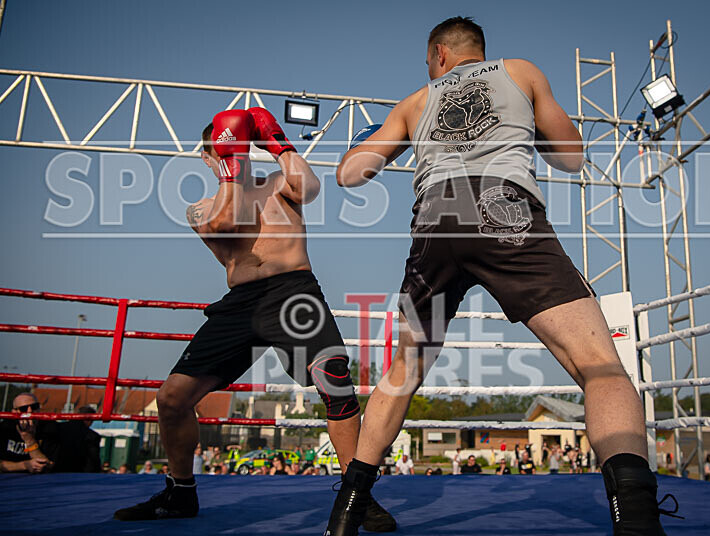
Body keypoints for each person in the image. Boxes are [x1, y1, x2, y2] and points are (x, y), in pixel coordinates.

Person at [323, 16, 673, 535]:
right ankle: (637, 519)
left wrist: (380, 141)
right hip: (503, 207)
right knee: (601, 366)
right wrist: (523, 128)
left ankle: (346, 511)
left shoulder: (415, 102)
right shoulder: (520, 71)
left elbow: (349, 174)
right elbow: (572, 157)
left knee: (404, 371)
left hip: (434, 222)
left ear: (439, 54)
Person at [113, 108, 395, 532]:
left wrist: (277, 142)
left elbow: (310, 188)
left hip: (293, 291)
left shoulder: (278, 183)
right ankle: (180, 492)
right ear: (209, 158)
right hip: (240, 304)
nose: (234, 156)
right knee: (171, 399)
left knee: (335, 379)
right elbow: (227, 224)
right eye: (225, 152)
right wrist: (233, 161)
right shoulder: (200, 209)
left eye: (238, 148)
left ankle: (359, 496)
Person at [0, 393, 56, 473]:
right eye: (24, 408)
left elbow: (46, 466)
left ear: (39, 409)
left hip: (41, 478)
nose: (30, 411)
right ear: (14, 412)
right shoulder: (5, 428)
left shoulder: (49, 428)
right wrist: (25, 465)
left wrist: (29, 440)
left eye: (34, 407)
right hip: (11, 477)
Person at [52, 405, 101, 473]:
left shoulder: (58, 428)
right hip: (78, 472)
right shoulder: (92, 436)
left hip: (55, 470)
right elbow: (93, 461)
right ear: (90, 420)